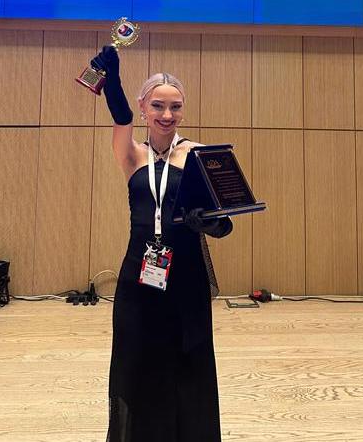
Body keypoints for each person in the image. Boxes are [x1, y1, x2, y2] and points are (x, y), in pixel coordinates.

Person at [89, 45, 233, 442]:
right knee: (136, 364)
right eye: (157, 106)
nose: (167, 115)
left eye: (175, 106)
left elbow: (225, 223)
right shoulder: (131, 155)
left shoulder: (198, 154)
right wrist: (112, 80)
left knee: (188, 364)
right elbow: (119, 119)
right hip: (139, 276)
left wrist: (209, 223)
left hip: (186, 277)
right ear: (143, 107)